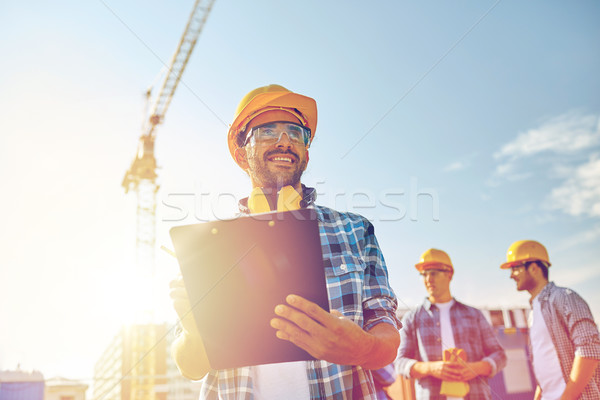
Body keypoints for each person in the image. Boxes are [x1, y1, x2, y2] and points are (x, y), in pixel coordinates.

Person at [169, 84, 401, 399]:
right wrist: (194, 331)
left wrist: (364, 348)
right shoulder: (209, 248)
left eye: (295, 132)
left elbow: (386, 337)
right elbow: (191, 367)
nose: (284, 141)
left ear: (306, 150)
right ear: (241, 154)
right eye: (267, 131)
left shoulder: (355, 230)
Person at [395, 248, 506, 400]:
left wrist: (476, 368)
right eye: (424, 274)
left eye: (433, 273)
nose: (428, 279)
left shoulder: (474, 315)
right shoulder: (411, 318)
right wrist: (430, 368)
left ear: (449, 274)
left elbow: (500, 355)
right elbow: (400, 362)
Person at [501, 239, 600, 400]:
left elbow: (589, 350)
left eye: (515, 268)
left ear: (533, 267)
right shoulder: (534, 312)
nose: (511, 275)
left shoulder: (564, 297)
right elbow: (547, 369)